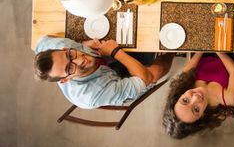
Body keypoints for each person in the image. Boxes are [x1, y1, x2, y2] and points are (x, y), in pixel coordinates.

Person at [34, 35, 174, 109]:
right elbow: (146, 77)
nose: (80, 61)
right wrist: (114, 52)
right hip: (112, 84)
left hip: (104, 64)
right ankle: (174, 51)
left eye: (70, 55)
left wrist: (83, 44)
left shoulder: (55, 46)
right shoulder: (93, 95)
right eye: (69, 68)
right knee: (154, 72)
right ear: (65, 80)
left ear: (65, 49)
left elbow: (41, 41)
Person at [162, 52, 234, 139]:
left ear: (179, 97)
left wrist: (202, 49)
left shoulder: (183, 85)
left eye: (185, 100)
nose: (195, 97)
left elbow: (193, 62)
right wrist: (218, 51)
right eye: (196, 109)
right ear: (202, 116)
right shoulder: (228, 100)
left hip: (205, 56)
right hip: (231, 61)